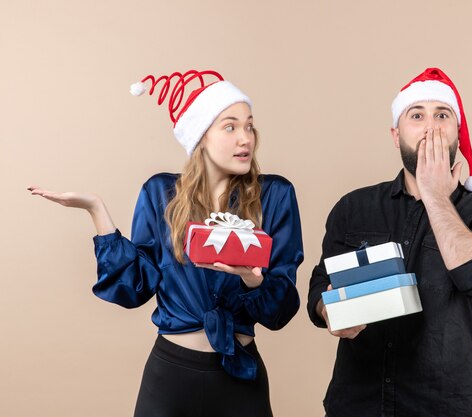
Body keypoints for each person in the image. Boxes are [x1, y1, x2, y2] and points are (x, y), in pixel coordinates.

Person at [30, 69, 303, 417]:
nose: (245, 138)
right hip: (170, 376)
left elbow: (281, 310)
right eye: (230, 126)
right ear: (200, 136)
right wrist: (96, 210)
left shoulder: (275, 196)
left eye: (249, 126)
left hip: (240, 379)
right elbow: (135, 287)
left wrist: (253, 279)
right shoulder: (161, 193)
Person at [307, 67, 472, 417]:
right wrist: (328, 310)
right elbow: (320, 284)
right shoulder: (353, 207)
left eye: (442, 115)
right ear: (396, 134)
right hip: (357, 403)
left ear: (457, 132)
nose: (431, 127)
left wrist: (436, 196)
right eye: (417, 115)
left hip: (443, 406)